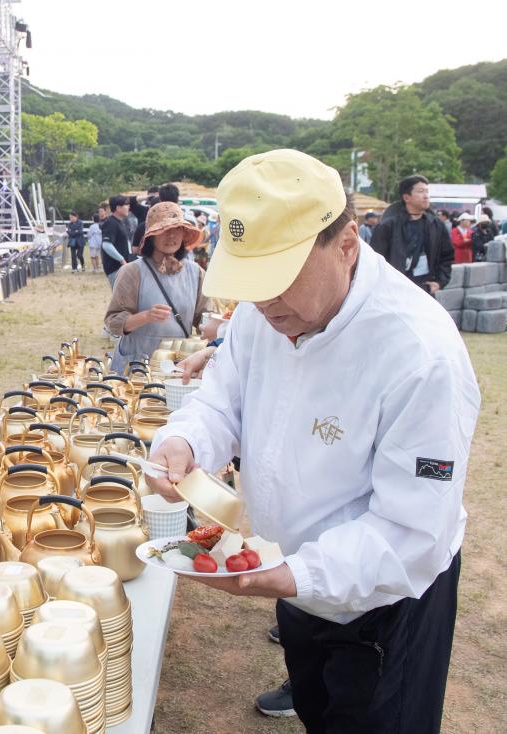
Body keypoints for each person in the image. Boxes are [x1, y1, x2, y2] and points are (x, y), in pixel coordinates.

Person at [147, 149, 478, 733]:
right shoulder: (261, 315)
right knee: (319, 712)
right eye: (251, 283)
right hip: (295, 575)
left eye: (278, 279)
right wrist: (187, 442)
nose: (266, 303)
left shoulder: (420, 354)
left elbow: (411, 531)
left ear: (346, 242)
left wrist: (291, 575)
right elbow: (225, 398)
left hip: (386, 598)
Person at [104, 202, 206, 373]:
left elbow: (203, 319)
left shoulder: (196, 273)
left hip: (177, 366)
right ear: (151, 236)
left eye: (177, 229)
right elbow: (113, 323)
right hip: (137, 365)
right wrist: (145, 316)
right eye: (164, 230)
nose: (171, 236)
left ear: (183, 234)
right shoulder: (132, 271)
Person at [369, 175, 453, 294]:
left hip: (425, 290)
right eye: (420, 191)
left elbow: (447, 256)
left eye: (427, 191)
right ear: (406, 197)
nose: (426, 196)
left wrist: (440, 282)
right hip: (395, 291)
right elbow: (375, 261)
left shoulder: (436, 225)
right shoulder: (388, 226)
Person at [100, 194, 132, 287]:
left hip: (122, 268)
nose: (128, 207)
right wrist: (122, 260)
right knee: (121, 299)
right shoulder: (110, 223)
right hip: (115, 268)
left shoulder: (120, 222)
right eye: (126, 204)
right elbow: (106, 245)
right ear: (118, 208)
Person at [87, 207, 105, 273]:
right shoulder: (101, 225)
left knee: (92, 257)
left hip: (93, 244)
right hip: (99, 243)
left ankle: (95, 269)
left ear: (93, 219)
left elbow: (89, 235)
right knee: (97, 256)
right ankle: (97, 268)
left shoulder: (92, 226)